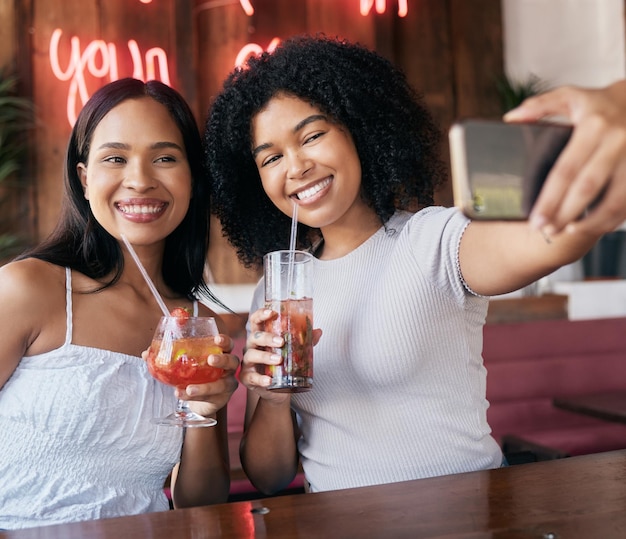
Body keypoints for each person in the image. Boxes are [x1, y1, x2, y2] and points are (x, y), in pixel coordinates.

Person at [204, 33, 626, 495]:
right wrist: (271, 396)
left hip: (467, 519)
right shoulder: (278, 290)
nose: (296, 166)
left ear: (358, 129)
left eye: (313, 135)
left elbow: (547, 237)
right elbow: (270, 476)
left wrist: (611, 133)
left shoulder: (432, 240)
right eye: (271, 158)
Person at [0, 78, 239, 529]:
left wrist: (204, 413)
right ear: (85, 179)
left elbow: (200, 503)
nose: (140, 180)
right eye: (115, 158)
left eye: (165, 158)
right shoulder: (28, 288)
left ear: (192, 177)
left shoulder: (196, 327)